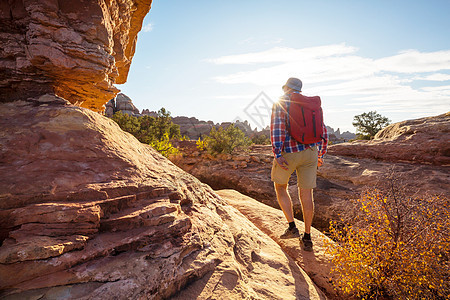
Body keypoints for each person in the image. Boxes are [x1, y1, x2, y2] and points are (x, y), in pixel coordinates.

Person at [270, 77, 328, 251]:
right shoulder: (314, 105)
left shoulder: (282, 102)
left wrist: (277, 153)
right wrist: (321, 153)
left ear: (286, 88)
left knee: (280, 187)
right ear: (300, 90)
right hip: (311, 152)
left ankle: (292, 227)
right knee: (307, 194)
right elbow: (323, 130)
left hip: (289, 152)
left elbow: (277, 129)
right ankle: (308, 237)